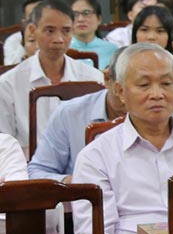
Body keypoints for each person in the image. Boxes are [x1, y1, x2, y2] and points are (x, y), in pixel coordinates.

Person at [72, 44, 173, 234]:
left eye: (166, 84)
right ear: (120, 91)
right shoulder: (96, 156)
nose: (157, 94)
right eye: (144, 85)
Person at [0, 0, 105, 155]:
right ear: (32, 30)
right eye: (50, 31)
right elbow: (4, 143)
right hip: (26, 166)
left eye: (66, 31)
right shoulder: (9, 83)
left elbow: (101, 135)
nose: (59, 39)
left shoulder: (92, 79)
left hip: (82, 164)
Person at [28, 47, 124, 182]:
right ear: (108, 79)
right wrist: (74, 183)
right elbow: (37, 172)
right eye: (142, 85)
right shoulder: (69, 113)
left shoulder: (156, 116)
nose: (150, 95)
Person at [69, 0, 117, 69]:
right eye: (75, 14)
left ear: (99, 19)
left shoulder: (112, 50)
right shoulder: (62, 49)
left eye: (86, 13)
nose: (80, 19)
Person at [4, 0, 46, 64]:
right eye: (32, 17)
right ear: (24, 22)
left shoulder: (60, 37)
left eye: (41, 15)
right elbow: (11, 66)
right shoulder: (13, 40)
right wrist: (23, 41)